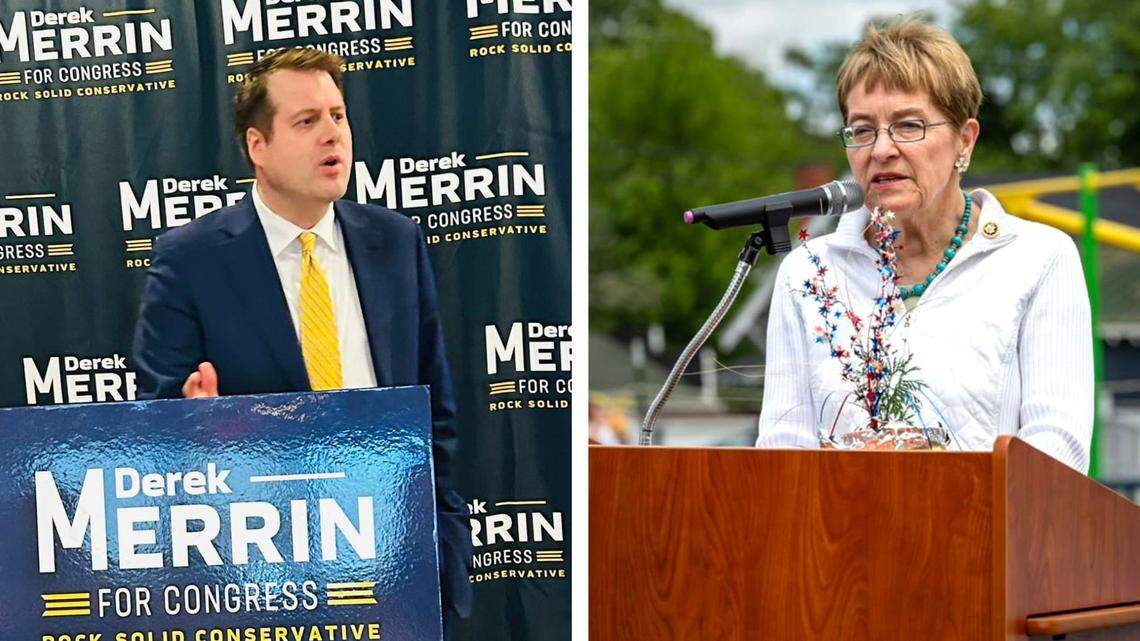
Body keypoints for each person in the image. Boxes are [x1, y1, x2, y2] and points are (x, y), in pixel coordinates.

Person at [132, 48, 471, 632]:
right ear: (257, 146)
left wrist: (444, 543)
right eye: (307, 121)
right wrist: (192, 428)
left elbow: (434, 410)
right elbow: (156, 428)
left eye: (337, 115)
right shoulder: (190, 261)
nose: (331, 134)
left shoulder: (396, 243)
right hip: (263, 577)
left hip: (396, 566)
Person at [756, 18, 1093, 472]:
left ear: (964, 141)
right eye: (862, 130)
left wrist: (937, 485)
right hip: (839, 520)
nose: (881, 150)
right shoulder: (808, 273)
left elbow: (1058, 452)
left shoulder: (1038, 259)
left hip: (988, 520)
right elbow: (782, 457)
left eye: (908, 125)